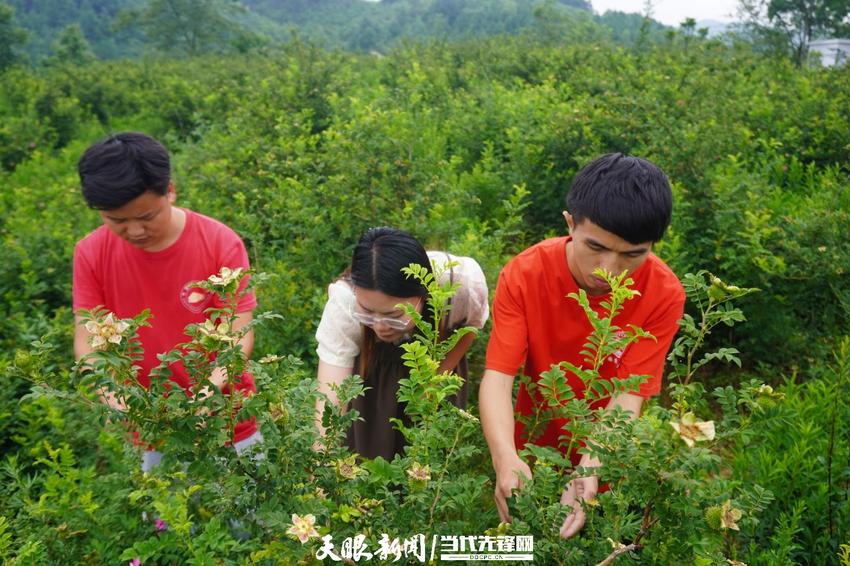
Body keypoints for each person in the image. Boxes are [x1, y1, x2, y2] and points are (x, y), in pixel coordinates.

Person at [479, 153, 686, 539]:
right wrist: (505, 458)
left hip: (611, 455)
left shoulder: (664, 293)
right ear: (570, 223)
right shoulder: (525, 274)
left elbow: (628, 396)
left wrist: (591, 468)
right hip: (532, 453)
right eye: (596, 247)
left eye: (633, 255)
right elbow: (499, 376)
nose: (610, 269)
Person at [72, 132, 262, 471]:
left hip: (228, 419)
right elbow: (87, 342)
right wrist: (113, 398)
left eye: (146, 216)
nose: (134, 231)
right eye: (117, 220)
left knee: (249, 519)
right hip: (151, 427)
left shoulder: (219, 242)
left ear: (170, 190)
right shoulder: (91, 253)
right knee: (167, 519)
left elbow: (239, 336)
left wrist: (207, 394)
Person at [314, 227, 489, 460]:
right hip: (373, 389)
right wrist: (321, 461)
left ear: (423, 295)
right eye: (367, 312)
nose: (379, 326)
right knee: (369, 464)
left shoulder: (458, 284)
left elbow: (472, 325)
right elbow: (331, 397)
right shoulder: (344, 303)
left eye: (394, 316)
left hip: (434, 373)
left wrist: (437, 378)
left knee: (433, 462)